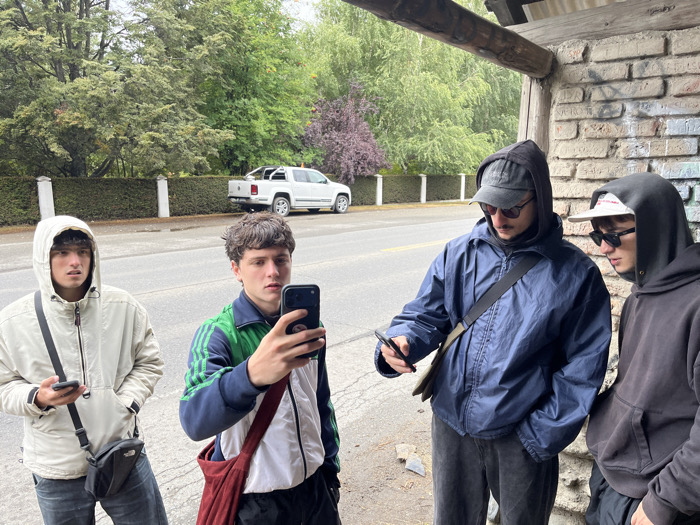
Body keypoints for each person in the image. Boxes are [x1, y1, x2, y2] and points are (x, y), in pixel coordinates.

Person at [374, 140, 612, 525]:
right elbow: (424, 315)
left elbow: (582, 371)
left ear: (540, 199)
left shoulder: (576, 274)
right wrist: (403, 340)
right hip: (452, 425)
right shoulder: (459, 253)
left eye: (512, 207)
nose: (498, 218)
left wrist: (538, 437)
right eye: (488, 206)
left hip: (521, 437)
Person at [0, 215, 167, 524]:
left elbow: (149, 362)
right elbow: (4, 385)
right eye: (62, 253)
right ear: (44, 258)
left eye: (82, 251)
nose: (74, 262)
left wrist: (126, 403)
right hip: (56, 468)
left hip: (122, 454)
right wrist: (38, 397)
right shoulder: (12, 321)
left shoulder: (124, 306)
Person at [179, 212, 341, 524]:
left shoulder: (308, 326)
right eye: (258, 262)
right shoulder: (220, 333)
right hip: (257, 502)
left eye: (281, 260)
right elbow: (194, 419)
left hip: (316, 490)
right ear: (236, 270)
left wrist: (331, 471)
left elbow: (321, 402)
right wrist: (251, 375)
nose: (272, 272)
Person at [569, 173, 700, 525]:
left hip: (657, 495)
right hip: (613, 477)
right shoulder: (637, 297)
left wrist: (664, 502)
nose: (604, 247)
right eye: (598, 235)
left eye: (613, 234)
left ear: (656, 228)